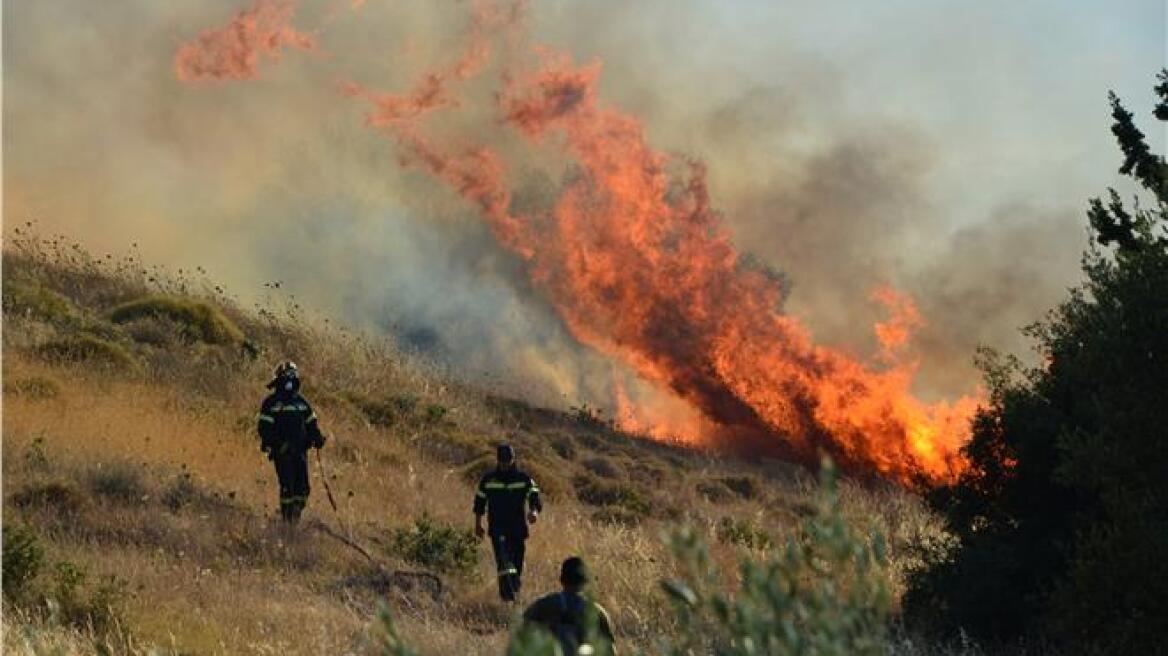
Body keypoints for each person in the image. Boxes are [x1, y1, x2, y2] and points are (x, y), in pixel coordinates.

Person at [256, 361, 326, 523]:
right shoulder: (271, 403)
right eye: (287, 376)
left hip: (300, 451)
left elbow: (311, 423)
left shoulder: (301, 403)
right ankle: (287, 521)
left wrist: (317, 437)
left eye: (293, 376)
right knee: (287, 487)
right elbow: (264, 428)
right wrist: (276, 444)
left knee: (303, 489)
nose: (290, 380)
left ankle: (295, 516)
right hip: (282, 452)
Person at [473, 443, 542, 601]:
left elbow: (534, 495)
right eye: (502, 461)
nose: (505, 465)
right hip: (497, 529)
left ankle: (514, 594)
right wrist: (477, 525)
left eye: (508, 461)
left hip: (518, 529)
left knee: (516, 565)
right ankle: (507, 598)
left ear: (513, 460)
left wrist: (534, 511)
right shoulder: (488, 480)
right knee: (504, 563)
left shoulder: (523, 479)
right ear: (498, 461)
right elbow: (479, 503)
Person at [517, 557, 617, 656]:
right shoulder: (596, 612)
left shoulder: (543, 605)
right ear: (585, 582)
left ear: (562, 580)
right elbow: (609, 651)